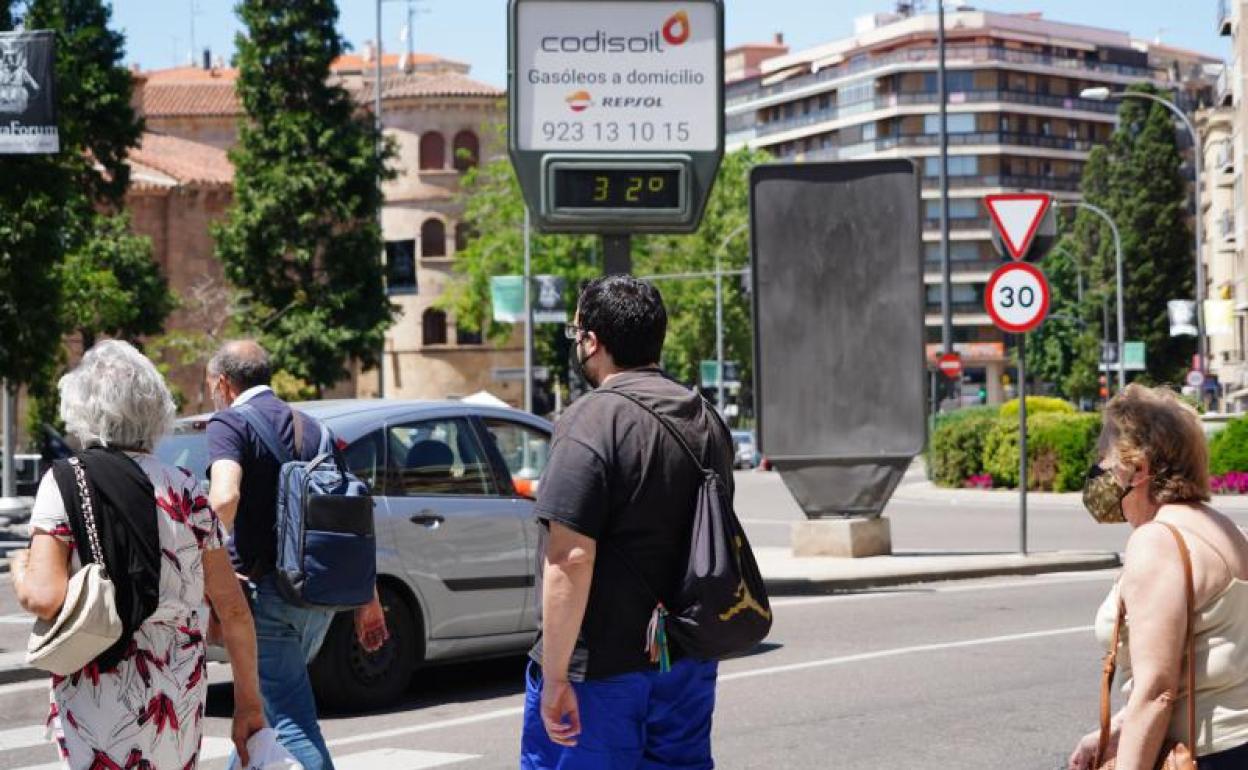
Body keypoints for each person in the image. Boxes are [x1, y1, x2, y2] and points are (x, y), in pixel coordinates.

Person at [10, 340, 265, 769]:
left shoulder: (65, 481)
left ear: (82, 409)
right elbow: (234, 611)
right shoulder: (186, 489)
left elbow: (43, 596)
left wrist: (20, 566)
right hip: (177, 694)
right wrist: (248, 705)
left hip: (99, 689)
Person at [520, 276, 733, 770]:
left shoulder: (591, 420)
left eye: (576, 334)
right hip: (685, 657)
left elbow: (570, 556)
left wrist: (555, 678)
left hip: (600, 669)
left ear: (592, 341)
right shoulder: (705, 418)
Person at [204, 340, 388, 770]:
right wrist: (368, 598)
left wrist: (198, 562)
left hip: (263, 601)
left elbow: (225, 494)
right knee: (265, 714)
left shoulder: (229, 424)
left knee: (289, 721)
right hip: (318, 598)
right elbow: (350, 516)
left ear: (224, 383)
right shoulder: (314, 428)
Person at [1068, 385, 1248, 770]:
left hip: (1201, 754)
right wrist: (1115, 729)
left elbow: (1157, 691)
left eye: (1105, 457)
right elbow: (1198, 662)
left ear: (1138, 469)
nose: (1099, 471)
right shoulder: (1226, 530)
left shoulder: (1157, 542)